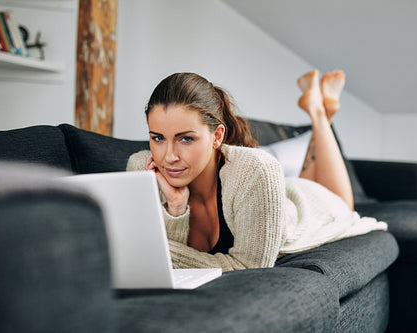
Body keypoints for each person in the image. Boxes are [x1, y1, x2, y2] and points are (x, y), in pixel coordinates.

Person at [126, 71, 387, 271]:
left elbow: (250, 270)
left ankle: (319, 113)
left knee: (344, 203)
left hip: (308, 207)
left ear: (217, 136)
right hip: (275, 194)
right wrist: (175, 208)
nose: (168, 157)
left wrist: (150, 252)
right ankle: (321, 108)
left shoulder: (256, 170)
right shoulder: (142, 171)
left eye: (186, 139)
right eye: (158, 138)